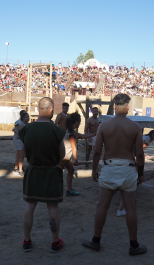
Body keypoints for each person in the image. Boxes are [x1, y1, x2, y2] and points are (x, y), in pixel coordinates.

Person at [82, 94, 147, 256]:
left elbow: (97, 152)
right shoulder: (135, 127)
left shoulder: (104, 125)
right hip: (128, 168)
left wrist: (94, 169)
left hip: (110, 167)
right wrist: (140, 173)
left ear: (114, 106)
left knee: (102, 206)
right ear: (127, 107)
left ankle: (96, 241)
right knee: (131, 209)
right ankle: (134, 245)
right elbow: (140, 155)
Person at [19, 97, 66, 253]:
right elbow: (63, 154)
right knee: (52, 206)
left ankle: (26, 241)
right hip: (52, 172)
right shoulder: (57, 130)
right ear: (51, 111)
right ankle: (54, 242)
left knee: (29, 205)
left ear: (38, 109)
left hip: (33, 171)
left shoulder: (26, 129)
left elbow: (24, 153)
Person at [117, 129, 154, 216]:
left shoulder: (146, 137)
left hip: (131, 154)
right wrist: (142, 154)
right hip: (134, 156)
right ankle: (121, 209)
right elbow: (142, 146)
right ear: (151, 134)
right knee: (129, 186)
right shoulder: (147, 139)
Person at [60, 112, 96, 196]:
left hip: (65, 156)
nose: (79, 123)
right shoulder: (71, 133)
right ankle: (60, 190)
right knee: (57, 174)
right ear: (76, 122)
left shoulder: (71, 131)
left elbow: (81, 136)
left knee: (70, 170)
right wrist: (76, 160)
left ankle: (69, 190)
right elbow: (73, 147)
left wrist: (94, 134)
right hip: (64, 157)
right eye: (79, 122)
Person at [13, 110, 29, 176]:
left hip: (21, 140)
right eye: (27, 117)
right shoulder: (19, 123)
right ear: (23, 118)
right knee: (21, 155)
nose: (28, 118)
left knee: (19, 155)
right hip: (18, 140)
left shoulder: (26, 123)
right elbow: (21, 132)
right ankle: (20, 170)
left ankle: (16, 168)